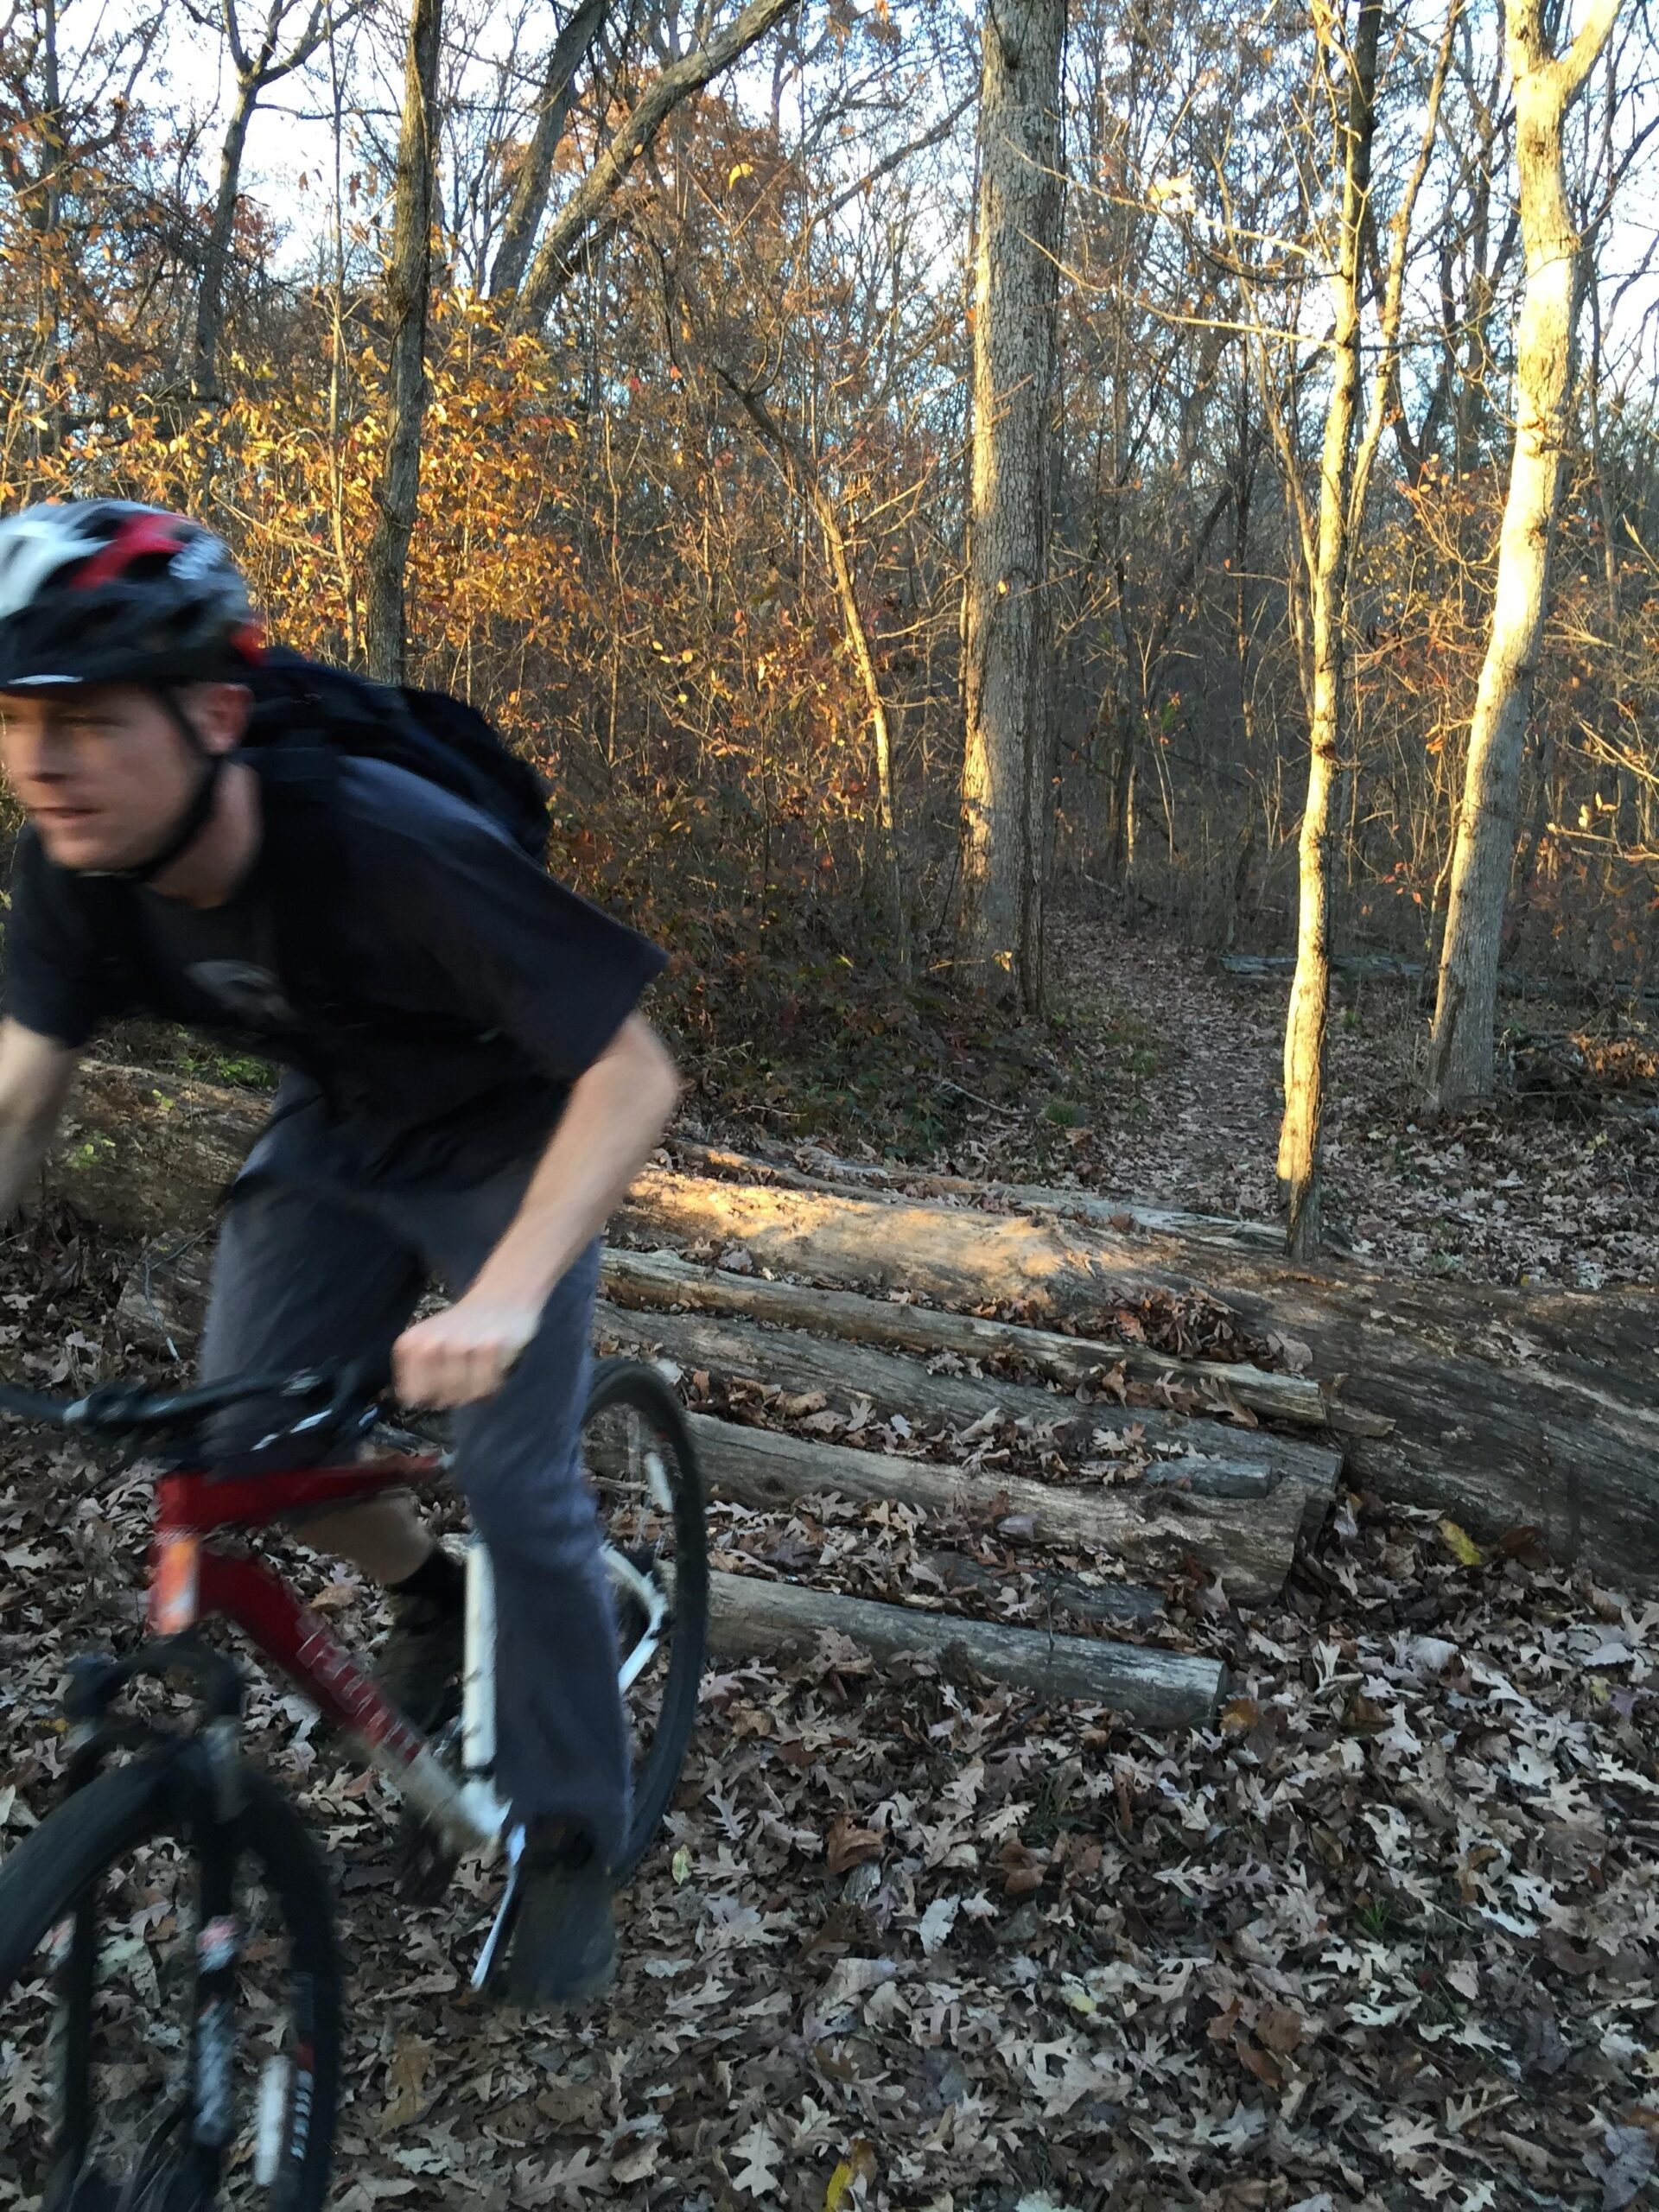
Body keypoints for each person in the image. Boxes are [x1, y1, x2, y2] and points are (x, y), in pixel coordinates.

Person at [0, 499, 680, 2007]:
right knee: (242, 1451)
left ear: (216, 712)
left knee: (516, 1478)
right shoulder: (74, 866)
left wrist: (504, 1297)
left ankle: (572, 1831)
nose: (45, 761)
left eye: (92, 719)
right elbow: (17, 1096)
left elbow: (632, 1075)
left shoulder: (388, 843)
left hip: (513, 1128)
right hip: (336, 1124)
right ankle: (431, 1599)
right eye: (20, 720)